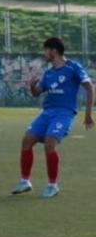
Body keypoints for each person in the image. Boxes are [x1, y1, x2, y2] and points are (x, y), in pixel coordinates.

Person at [12, 37, 94, 198]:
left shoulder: (73, 67)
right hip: (47, 113)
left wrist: (88, 114)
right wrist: (32, 85)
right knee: (26, 141)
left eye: (46, 50)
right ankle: (25, 181)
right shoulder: (48, 73)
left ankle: (52, 185)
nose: (44, 54)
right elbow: (37, 93)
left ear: (53, 51)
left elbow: (90, 87)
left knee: (50, 143)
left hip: (64, 113)